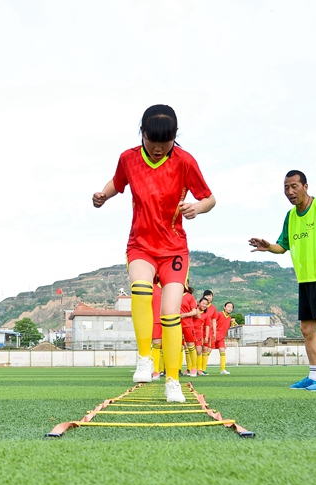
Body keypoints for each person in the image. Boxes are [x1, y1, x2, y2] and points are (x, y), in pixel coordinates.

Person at [93, 104, 216, 402]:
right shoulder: (129, 158)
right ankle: (145, 357)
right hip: (141, 245)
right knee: (140, 288)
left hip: (173, 247)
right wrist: (103, 195)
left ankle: (172, 380)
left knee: (170, 312)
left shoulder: (185, 161)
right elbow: (118, 182)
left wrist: (196, 208)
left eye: (166, 142)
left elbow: (209, 198)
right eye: (153, 141)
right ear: (142, 134)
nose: (159, 148)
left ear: (175, 137)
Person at [249, 170, 316, 391]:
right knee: (307, 329)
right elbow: (282, 247)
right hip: (305, 281)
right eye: (286, 187)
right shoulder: (290, 216)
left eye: (294, 186)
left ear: (306, 186)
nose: (290, 191)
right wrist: (267, 247)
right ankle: (315, 376)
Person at [180, 284, 199, 377]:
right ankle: (177, 369)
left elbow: (195, 311)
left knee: (191, 346)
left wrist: (185, 315)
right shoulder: (173, 295)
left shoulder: (189, 297)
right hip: (176, 325)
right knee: (178, 347)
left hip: (187, 325)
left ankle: (193, 368)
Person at [212, 301, 234, 374]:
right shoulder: (219, 314)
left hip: (221, 338)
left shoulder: (230, 318)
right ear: (224, 307)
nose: (230, 308)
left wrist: (232, 324)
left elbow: (227, 328)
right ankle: (201, 369)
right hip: (214, 336)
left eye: (231, 307)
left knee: (222, 351)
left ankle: (223, 369)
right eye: (228, 306)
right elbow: (213, 322)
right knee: (206, 351)